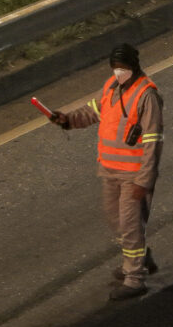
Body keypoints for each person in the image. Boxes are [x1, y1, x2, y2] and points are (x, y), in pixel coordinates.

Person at [48, 44, 165, 301]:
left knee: (130, 225)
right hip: (110, 171)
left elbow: (153, 141)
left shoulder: (147, 95)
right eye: (115, 69)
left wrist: (145, 181)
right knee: (117, 222)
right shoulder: (111, 87)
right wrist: (67, 119)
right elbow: (93, 112)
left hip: (134, 175)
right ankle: (142, 258)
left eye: (123, 69)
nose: (118, 73)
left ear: (134, 67)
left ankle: (134, 279)